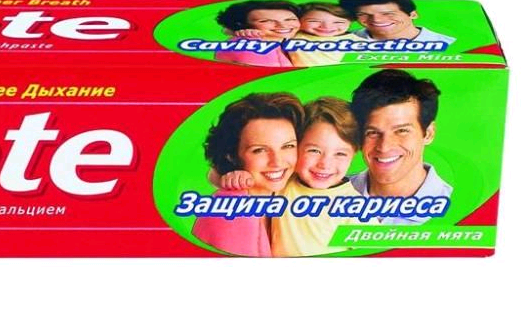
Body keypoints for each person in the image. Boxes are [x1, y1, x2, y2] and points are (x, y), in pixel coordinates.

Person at [216, 97, 365, 256]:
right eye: (314, 151)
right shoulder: (285, 179)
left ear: (354, 154)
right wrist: (236, 176)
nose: (325, 164)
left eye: (340, 154)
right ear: (296, 146)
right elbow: (220, 175)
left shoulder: (355, 207)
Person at [193, 92, 303, 256]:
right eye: (259, 150)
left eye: (288, 146)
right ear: (232, 155)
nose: (277, 162)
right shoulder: (232, 212)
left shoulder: (284, 194)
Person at [348, 69, 453, 225]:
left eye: (401, 131)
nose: (384, 147)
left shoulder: (460, 207)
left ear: (428, 134)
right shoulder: (327, 196)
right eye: (373, 132)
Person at [232, 1, 356, 67]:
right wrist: (246, 31)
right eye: (313, 21)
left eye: (339, 22)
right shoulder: (295, 34)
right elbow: (270, 35)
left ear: (350, 23)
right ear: (300, 21)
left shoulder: (357, 40)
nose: (327, 27)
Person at [212, 0, 299, 67]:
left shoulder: (282, 42)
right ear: (241, 24)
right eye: (266, 21)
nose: (283, 25)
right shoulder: (251, 46)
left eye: (290, 19)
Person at [338, 0, 455, 46]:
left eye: (388, 13)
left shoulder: (448, 45)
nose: (376, 20)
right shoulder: (339, 40)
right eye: (363, 14)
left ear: (413, 14)